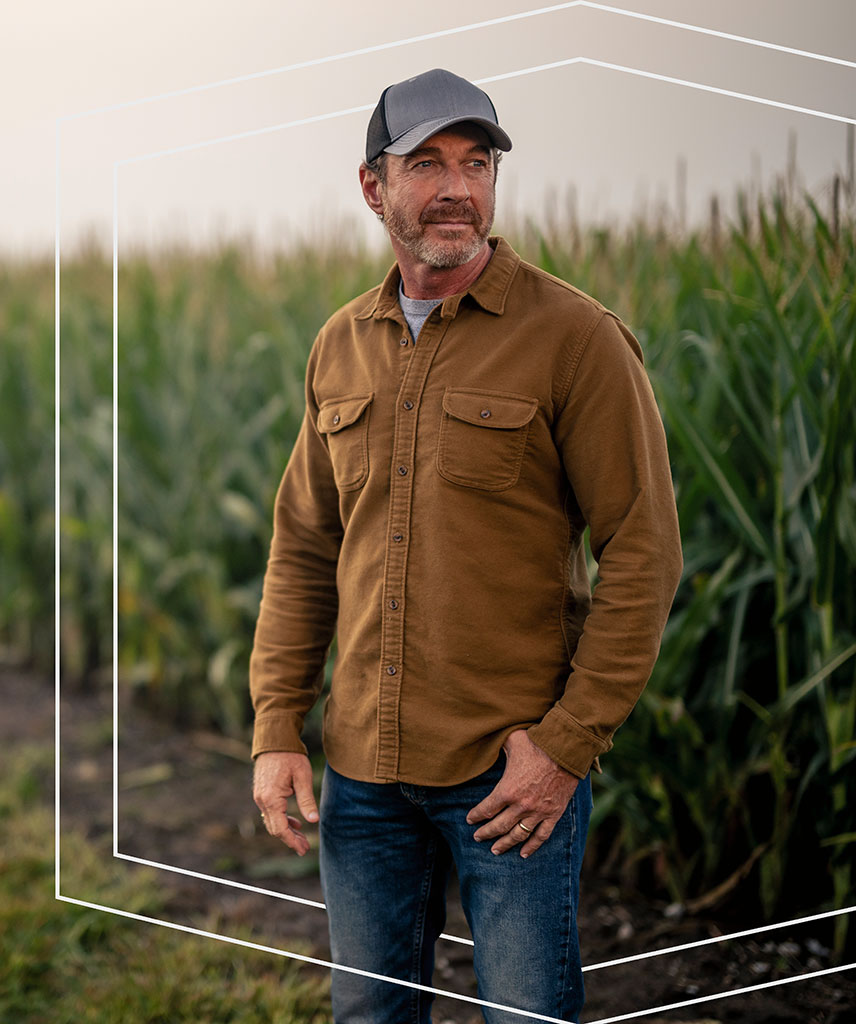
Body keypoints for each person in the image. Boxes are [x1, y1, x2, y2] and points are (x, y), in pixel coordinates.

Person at [249, 68, 682, 1024]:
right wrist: (278, 722)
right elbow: (303, 549)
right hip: (362, 777)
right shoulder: (340, 345)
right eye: (429, 163)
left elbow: (645, 554)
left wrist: (566, 748)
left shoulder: (575, 340)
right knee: (369, 1016)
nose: (458, 187)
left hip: (510, 781)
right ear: (374, 187)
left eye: (477, 163)